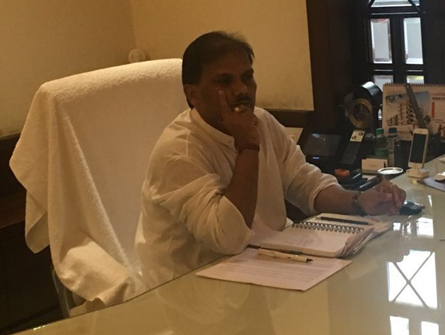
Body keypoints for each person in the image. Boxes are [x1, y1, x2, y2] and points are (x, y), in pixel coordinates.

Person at [136, 31, 406, 288]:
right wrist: (247, 146)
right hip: (187, 291)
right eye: (224, 82)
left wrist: (359, 201)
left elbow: (306, 184)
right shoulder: (178, 151)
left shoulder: (262, 121)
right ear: (192, 95)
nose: (241, 90)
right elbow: (228, 238)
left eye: (247, 77)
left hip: (259, 268)